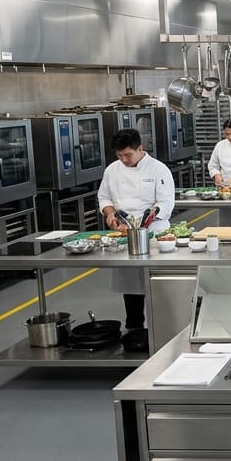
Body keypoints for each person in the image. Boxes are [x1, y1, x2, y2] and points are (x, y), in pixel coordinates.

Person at [97, 128, 174, 337]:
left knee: (157, 287)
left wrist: (151, 215)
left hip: (155, 236)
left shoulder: (159, 170)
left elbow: (166, 202)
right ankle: (134, 332)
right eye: (119, 156)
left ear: (140, 149)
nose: (124, 159)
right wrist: (111, 215)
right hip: (125, 236)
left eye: (128, 155)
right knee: (131, 288)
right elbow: (104, 197)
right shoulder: (112, 170)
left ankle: (164, 332)